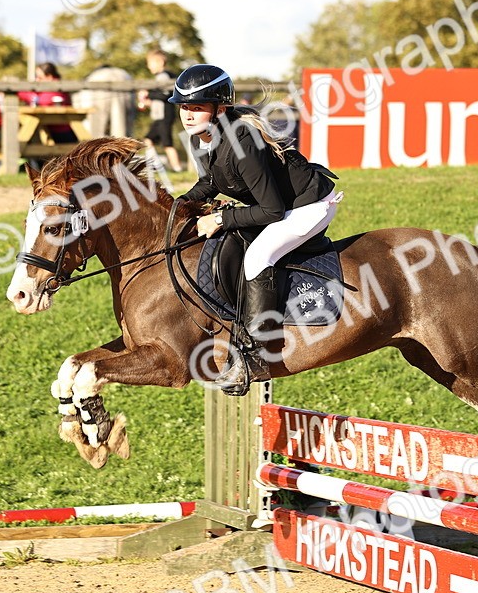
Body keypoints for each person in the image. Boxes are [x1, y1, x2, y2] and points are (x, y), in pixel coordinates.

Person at [171, 64, 341, 395]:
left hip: (307, 206)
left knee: (258, 256)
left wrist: (220, 219)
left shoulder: (242, 141)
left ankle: (252, 358)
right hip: (280, 206)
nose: (187, 115)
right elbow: (210, 182)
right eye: (183, 107)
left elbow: (272, 211)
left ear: (220, 108)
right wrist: (177, 206)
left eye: (196, 107)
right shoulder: (204, 138)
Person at [137, 49, 184, 172]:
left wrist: (148, 93)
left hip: (164, 116)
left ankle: (177, 168)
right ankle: (154, 166)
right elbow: (159, 97)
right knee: (148, 140)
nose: (148, 66)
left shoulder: (164, 76)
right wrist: (148, 101)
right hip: (159, 116)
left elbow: (165, 95)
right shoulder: (160, 77)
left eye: (150, 63)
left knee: (167, 143)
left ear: (160, 62)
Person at [18, 62, 77, 148]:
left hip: (62, 132)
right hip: (51, 130)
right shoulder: (46, 89)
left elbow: (43, 101)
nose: (37, 80)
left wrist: (28, 96)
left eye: (40, 77)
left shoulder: (58, 88)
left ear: (49, 77)